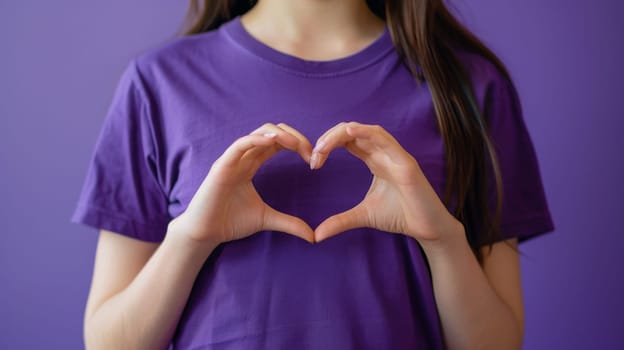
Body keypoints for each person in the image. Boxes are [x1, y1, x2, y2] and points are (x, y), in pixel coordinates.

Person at [70, 0, 555, 349]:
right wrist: (190, 239)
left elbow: (497, 342)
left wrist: (442, 239)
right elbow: (111, 343)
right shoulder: (157, 85)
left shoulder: (470, 88)